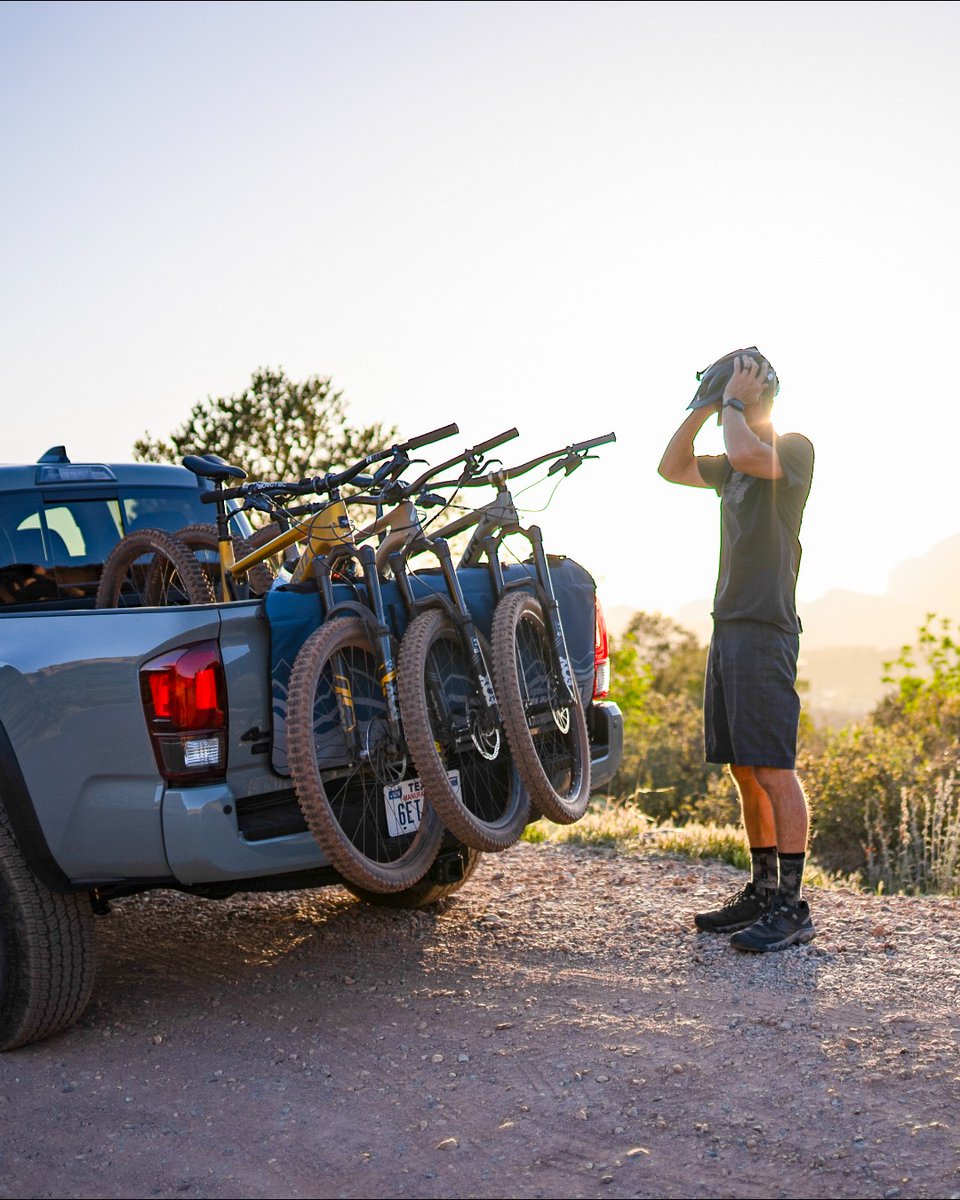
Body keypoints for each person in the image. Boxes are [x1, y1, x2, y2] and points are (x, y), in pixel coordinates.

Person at [657, 347, 816, 952]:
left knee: (774, 767)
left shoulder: (793, 448)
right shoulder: (732, 466)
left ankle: (794, 907)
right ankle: (763, 890)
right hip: (728, 626)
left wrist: (731, 402)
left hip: (766, 626)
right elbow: (671, 467)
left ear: (760, 393)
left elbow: (750, 449)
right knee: (744, 769)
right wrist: (703, 404)